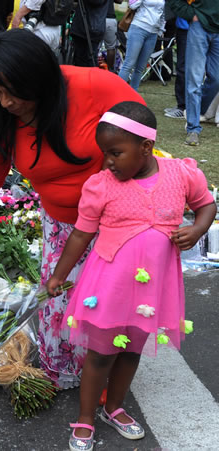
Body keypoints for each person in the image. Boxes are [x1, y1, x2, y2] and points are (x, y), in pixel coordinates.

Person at [0, 30, 144, 389]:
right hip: (62, 227)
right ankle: (65, 373)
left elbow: (143, 128)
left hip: (115, 225)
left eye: (12, 91)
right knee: (60, 301)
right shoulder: (2, 118)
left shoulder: (93, 85)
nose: (5, 102)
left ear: (39, 80)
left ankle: (108, 380)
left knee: (109, 305)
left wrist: (120, 179)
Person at [45, 101, 216, 451]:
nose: (107, 161)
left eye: (115, 152)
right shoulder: (101, 186)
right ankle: (86, 417)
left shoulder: (182, 174)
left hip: (152, 294)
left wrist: (197, 229)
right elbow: (81, 234)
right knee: (100, 354)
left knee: (131, 351)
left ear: (146, 147)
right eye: (105, 153)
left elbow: (206, 204)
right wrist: (58, 275)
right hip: (108, 289)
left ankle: (113, 407)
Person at [167, 0, 219, 146]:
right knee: (194, 80)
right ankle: (193, 128)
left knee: (216, 79)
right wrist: (191, 15)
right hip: (199, 26)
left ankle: (196, 111)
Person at [118, 0, 165, 91]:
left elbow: (163, 13)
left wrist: (161, 30)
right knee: (128, 64)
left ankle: (133, 95)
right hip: (138, 28)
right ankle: (119, 95)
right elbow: (132, 5)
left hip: (153, 33)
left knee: (140, 68)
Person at [163, 16, 189, 119]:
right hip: (182, 28)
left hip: (190, 28)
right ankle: (182, 105)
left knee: (183, 67)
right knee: (181, 66)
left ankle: (183, 107)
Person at [71, 0, 109, 67]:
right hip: (82, 28)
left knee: (90, 60)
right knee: (79, 60)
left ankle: (88, 76)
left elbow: (96, 2)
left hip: (92, 28)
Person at [103, 0, 122, 71]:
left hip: (96, 17)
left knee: (95, 47)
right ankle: (110, 71)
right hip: (110, 18)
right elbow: (120, 1)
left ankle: (94, 70)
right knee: (111, 47)